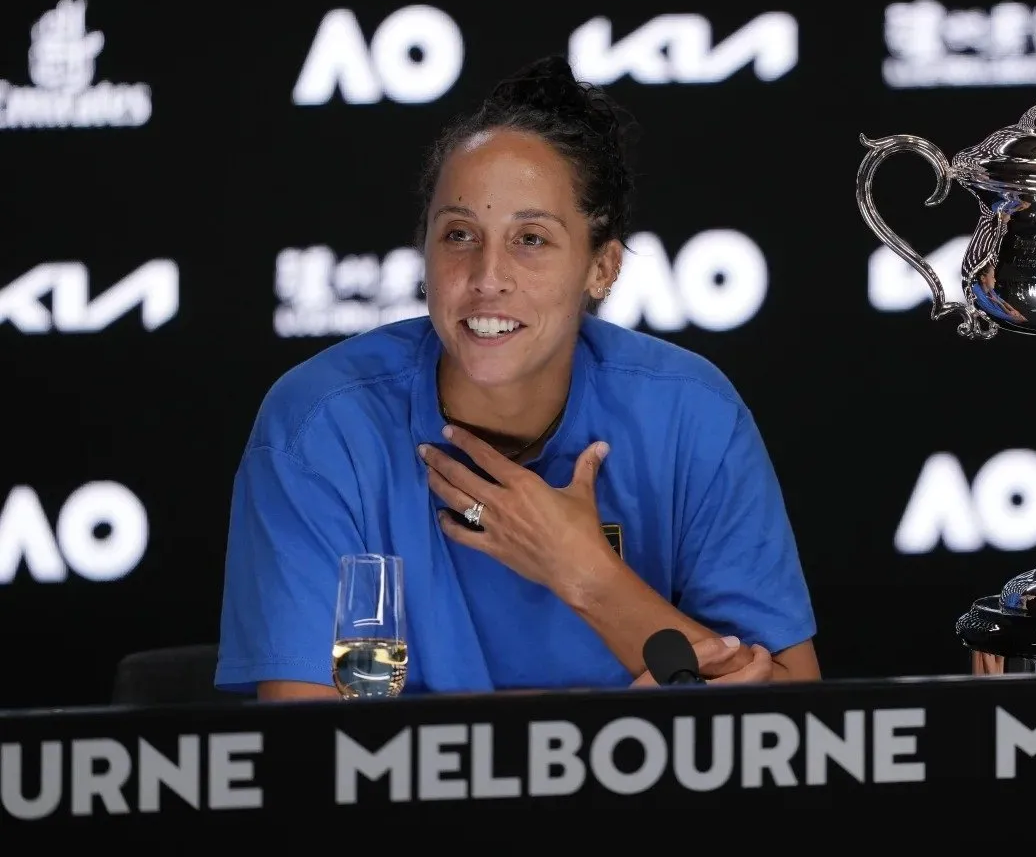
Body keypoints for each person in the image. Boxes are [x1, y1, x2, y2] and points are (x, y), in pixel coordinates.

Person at [214, 55, 820, 700]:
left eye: (531, 239)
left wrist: (584, 573)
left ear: (602, 268)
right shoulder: (321, 426)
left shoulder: (693, 415)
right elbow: (311, 754)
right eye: (458, 235)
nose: (486, 277)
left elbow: (788, 717)